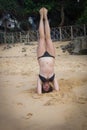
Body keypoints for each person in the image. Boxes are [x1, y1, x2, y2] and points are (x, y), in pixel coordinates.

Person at [37, 7, 59, 94]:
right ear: (50, 86)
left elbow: (39, 93)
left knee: (42, 37)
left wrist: (41, 91)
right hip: (51, 56)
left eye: (44, 88)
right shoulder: (53, 78)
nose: (46, 87)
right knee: (48, 37)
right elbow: (57, 89)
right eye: (47, 88)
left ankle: (41, 16)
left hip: (41, 56)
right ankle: (45, 16)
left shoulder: (40, 78)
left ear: (42, 86)